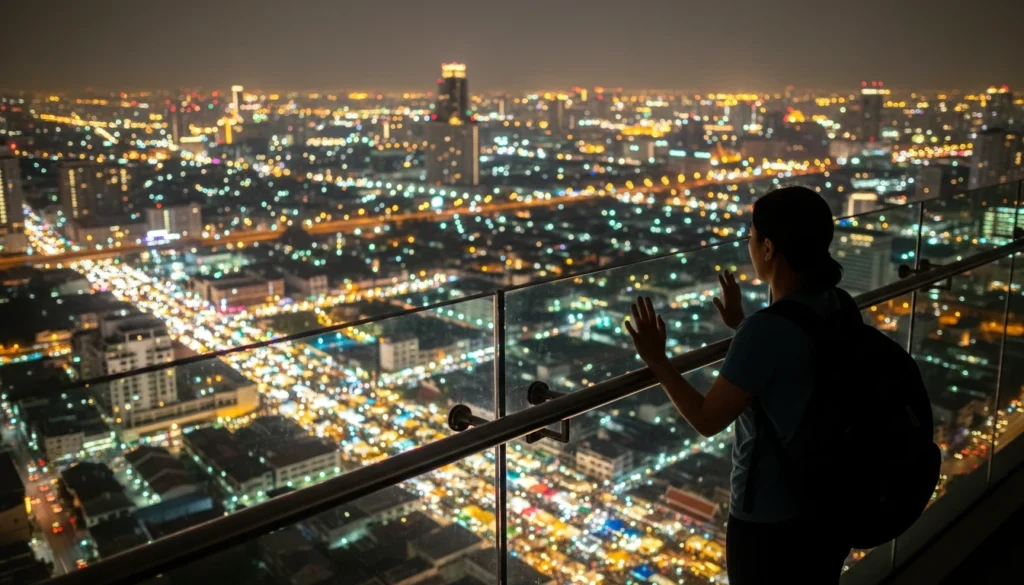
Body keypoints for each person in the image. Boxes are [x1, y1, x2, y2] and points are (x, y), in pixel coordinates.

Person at [625, 186, 859, 584]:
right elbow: (793, 371)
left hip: (770, 515)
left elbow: (706, 418)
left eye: (751, 236)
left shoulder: (765, 331)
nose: (748, 245)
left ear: (768, 248)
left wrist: (656, 359)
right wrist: (742, 324)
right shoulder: (839, 304)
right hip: (829, 499)